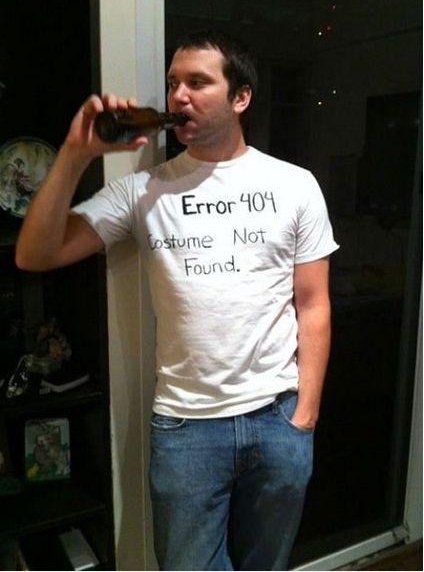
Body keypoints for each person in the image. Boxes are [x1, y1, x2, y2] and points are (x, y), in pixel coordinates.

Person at [16, 30, 339, 571]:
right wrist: (75, 154)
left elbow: (313, 305)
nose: (178, 96)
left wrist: (304, 417)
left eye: (197, 82)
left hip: (277, 417)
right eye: (172, 84)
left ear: (241, 97)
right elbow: (35, 254)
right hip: (186, 429)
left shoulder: (295, 185)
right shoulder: (143, 191)